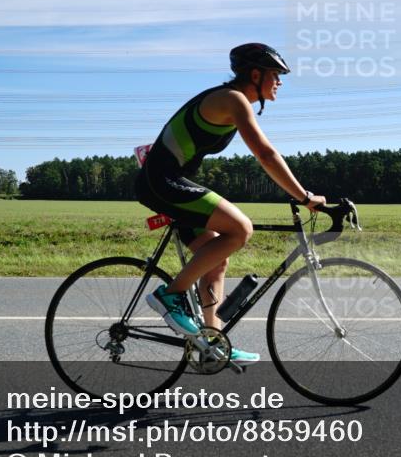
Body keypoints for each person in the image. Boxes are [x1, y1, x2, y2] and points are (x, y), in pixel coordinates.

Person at [135, 43, 326, 364]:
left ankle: (211, 344)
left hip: (166, 181)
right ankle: (170, 295)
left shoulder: (229, 100)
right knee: (240, 229)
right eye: (276, 75)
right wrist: (304, 197)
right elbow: (265, 155)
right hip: (162, 182)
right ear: (255, 74)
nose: (279, 82)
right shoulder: (233, 100)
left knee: (216, 260)